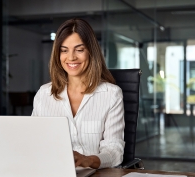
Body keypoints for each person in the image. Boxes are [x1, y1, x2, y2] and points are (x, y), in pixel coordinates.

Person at [31, 18, 125, 169]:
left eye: (79, 49)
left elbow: (114, 150)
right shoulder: (44, 94)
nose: (71, 57)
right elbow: (33, 142)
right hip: (53, 174)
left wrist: (90, 160)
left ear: (90, 52)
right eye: (64, 50)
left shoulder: (111, 94)